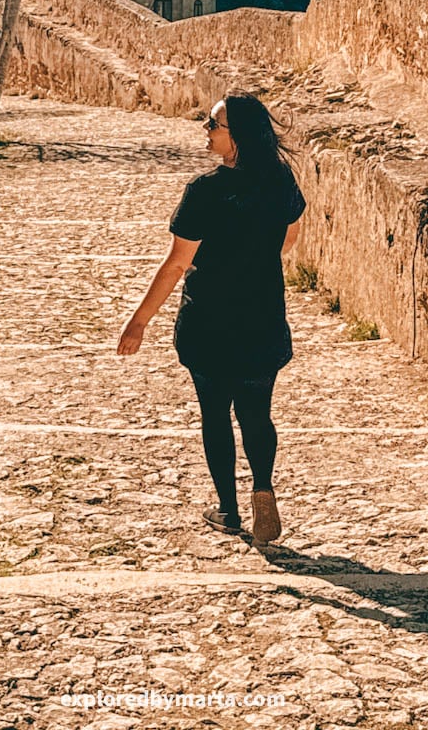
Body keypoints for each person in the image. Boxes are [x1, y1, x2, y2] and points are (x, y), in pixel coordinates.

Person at [116, 92, 306, 544]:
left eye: (212, 124)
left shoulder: (205, 191)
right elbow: (290, 240)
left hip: (209, 322)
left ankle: (227, 509)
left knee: (216, 414)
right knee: (257, 413)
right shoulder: (280, 180)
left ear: (235, 135)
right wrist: (253, 263)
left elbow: (177, 264)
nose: (206, 130)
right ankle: (263, 488)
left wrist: (139, 321)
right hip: (262, 316)